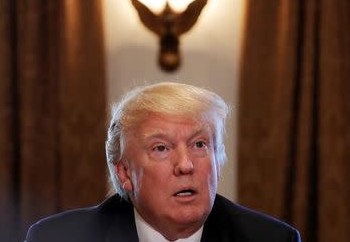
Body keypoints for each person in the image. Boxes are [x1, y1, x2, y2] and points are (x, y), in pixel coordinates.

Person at [26, 82, 301, 241]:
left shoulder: (272, 240)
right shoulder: (57, 239)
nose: (185, 165)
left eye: (199, 145)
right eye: (161, 148)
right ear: (124, 173)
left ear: (218, 161)